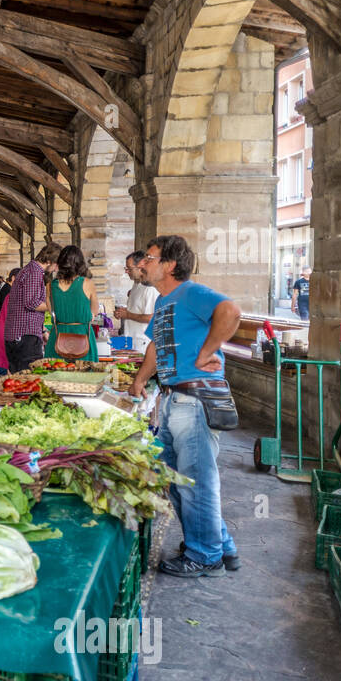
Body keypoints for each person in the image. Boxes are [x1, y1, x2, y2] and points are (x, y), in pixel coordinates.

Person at [128, 235, 244, 579]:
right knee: (176, 479)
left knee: (195, 482)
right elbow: (155, 346)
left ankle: (205, 555)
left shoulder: (190, 292)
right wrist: (139, 380)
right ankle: (219, 545)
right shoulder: (164, 302)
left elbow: (231, 311)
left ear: (170, 265)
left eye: (150, 258)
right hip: (172, 398)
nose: (143, 264)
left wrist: (208, 351)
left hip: (193, 400)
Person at [3, 243, 59, 371]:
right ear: (49, 260)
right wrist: (54, 307)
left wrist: (42, 330)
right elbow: (32, 303)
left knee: (19, 379)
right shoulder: (34, 272)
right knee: (28, 379)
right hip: (25, 336)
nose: (56, 269)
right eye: (56, 264)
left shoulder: (30, 270)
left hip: (21, 334)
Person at [45, 245, 99, 361]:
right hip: (83, 336)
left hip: (58, 337)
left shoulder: (50, 286)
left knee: (56, 376)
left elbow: (52, 311)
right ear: (80, 263)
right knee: (84, 375)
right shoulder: (87, 283)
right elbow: (94, 312)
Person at [114, 251, 158, 352]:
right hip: (131, 339)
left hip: (143, 343)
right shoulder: (136, 285)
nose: (127, 272)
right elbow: (137, 310)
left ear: (140, 266)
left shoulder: (150, 289)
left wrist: (127, 315)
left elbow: (152, 318)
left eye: (129, 268)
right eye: (126, 269)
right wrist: (123, 312)